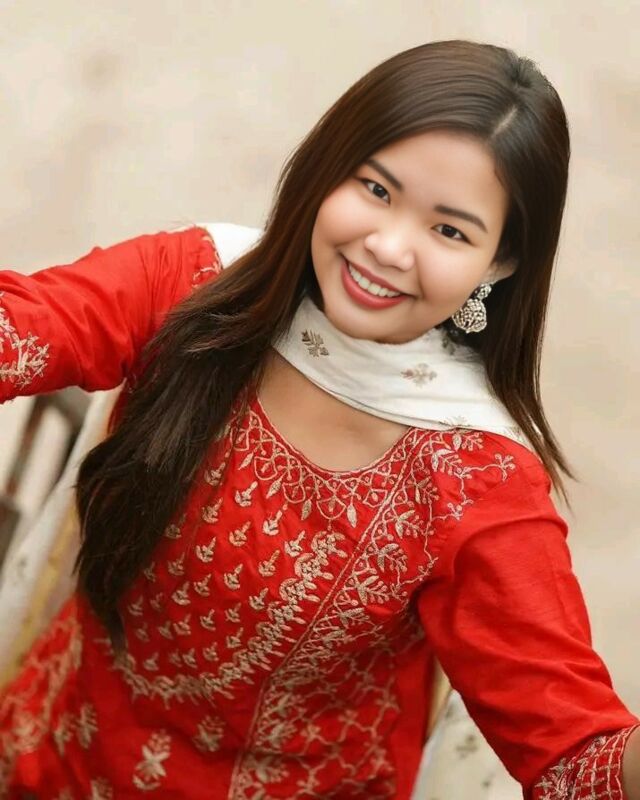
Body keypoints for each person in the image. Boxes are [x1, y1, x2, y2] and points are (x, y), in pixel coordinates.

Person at [0, 38, 638, 800]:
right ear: (328, 168)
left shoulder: (477, 479)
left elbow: (576, 761)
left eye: (450, 231)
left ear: (499, 264)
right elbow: (25, 329)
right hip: (48, 762)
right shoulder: (194, 283)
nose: (388, 247)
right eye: (375, 189)